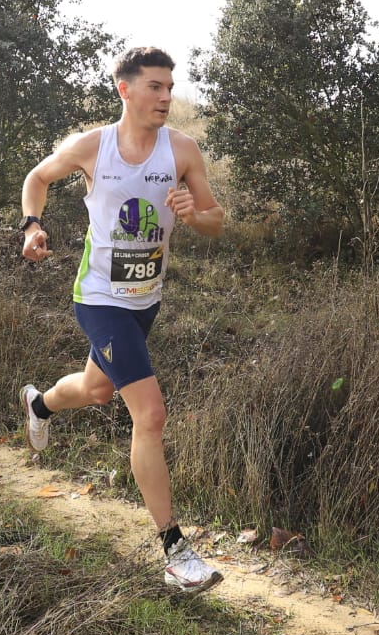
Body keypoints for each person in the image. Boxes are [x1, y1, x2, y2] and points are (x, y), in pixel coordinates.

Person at [17, 46, 226, 592]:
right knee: (150, 414)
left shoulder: (182, 150)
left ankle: (39, 403)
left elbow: (216, 220)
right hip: (99, 297)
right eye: (155, 86)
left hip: (145, 301)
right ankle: (175, 551)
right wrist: (32, 226)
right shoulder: (94, 146)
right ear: (125, 90)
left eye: (169, 86)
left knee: (96, 389)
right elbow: (37, 177)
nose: (166, 95)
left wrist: (195, 215)